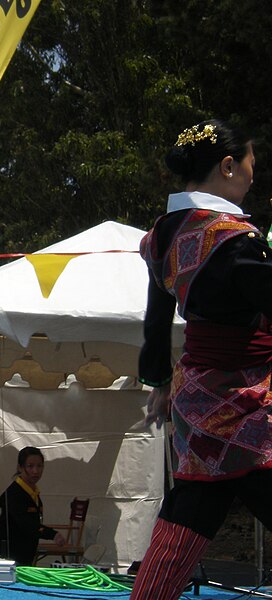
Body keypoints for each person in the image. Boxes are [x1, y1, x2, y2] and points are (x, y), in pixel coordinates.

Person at [132, 119, 272, 599]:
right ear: (228, 166)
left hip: (196, 403)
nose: (254, 175)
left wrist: (158, 380)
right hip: (249, 405)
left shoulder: (160, 236)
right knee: (195, 507)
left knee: (188, 513)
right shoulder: (235, 240)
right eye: (251, 164)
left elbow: (155, 322)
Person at [0, 447, 64, 565]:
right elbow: (26, 523)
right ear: (20, 467)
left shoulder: (33, 492)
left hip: (24, 555)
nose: (35, 471)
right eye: (30, 466)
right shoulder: (14, 494)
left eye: (39, 466)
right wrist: (52, 534)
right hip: (6, 556)